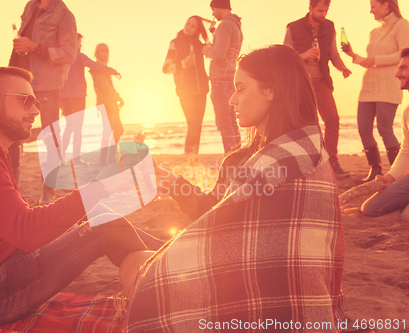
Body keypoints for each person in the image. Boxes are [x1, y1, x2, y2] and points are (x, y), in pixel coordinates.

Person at [0, 66, 163, 326]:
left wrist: (103, 185)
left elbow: (20, 222)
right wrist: (102, 186)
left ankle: (176, 257)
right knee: (105, 229)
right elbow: (28, 231)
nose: (35, 110)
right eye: (25, 101)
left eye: (36, 102)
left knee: (102, 219)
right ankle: (179, 265)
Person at [123, 45, 344, 332]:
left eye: (240, 88)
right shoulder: (305, 149)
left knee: (133, 265)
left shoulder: (267, 163)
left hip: (250, 293)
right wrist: (165, 178)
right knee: (123, 239)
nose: (231, 99)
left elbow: (214, 228)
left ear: (271, 90)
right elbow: (215, 213)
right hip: (287, 288)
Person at [8, 0, 77, 203]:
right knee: (12, 135)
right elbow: (21, 44)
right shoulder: (30, 7)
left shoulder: (64, 15)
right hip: (20, 82)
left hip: (47, 85)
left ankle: (47, 194)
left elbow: (69, 54)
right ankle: (12, 191)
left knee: (51, 140)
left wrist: (35, 47)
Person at [342, 0, 409, 182]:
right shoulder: (374, 32)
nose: (370, 11)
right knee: (364, 129)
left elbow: (404, 54)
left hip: (389, 86)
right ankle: (375, 169)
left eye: (373, 6)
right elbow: (370, 60)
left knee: (384, 129)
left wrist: (375, 60)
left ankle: (400, 174)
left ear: (386, 5)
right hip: (368, 87)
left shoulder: (402, 25)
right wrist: (353, 55)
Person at [284, 0, 352, 178]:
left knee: (333, 119)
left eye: (326, 10)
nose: (324, 14)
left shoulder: (329, 26)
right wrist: (304, 55)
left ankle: (332, 162)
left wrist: (343, 68)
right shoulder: (293, 27)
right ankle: (303, 163)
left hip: (322, 81)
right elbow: (284, 56)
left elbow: (334, 55)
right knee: (304, 123)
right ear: (310, 8)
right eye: (320, 11)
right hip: (301, 83)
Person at [361, 48, 409, 222]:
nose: (397, 74)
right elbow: (406, 152)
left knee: (407, 218)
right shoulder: (407, 112)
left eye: (403, 68)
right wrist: (390, 177)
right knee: (370, 208)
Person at [60, 33, 121, 164]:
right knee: (77, 129)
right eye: (79, 42)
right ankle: (77, 159)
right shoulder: (79, 56)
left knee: (69, 128)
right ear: (74, 42)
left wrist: (59, 98)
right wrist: (112, 70)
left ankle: (61, 157)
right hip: (78, 97)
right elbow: (94, 65)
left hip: (64, 96)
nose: (81, 45)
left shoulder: (63, 56)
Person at [163, 16, 209, 158]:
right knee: (192, 125)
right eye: (188, 23)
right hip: (185, 91)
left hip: (201, 90)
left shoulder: (199, 45)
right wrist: (182, 64)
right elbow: (165, 68)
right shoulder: (175, 43)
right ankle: (189, 157)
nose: (188, 27)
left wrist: (210, 34)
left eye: (193, 26)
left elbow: (212, 51)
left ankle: (193, 157)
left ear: (197, 30)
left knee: (198, 125)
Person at [203, 0, 243, 154]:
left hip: (220, 78)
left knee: (223, 123)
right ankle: (238, 157)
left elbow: (219, 56)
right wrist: (214, 34)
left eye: (213, 9)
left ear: (219, 7)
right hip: (231, 76)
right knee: (232, 121)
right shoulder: (236, 25)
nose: (212, 13)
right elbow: (228, 50)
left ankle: (231, 158)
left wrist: (206, 51)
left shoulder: (225, 25)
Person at [90, 43, 124, 165]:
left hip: (112, 103)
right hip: (105, 103)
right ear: (97, 53)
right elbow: (105, 87)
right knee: (108, 131)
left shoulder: (105, 67)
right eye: (101, 51)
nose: (104, 53)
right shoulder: (97, 68)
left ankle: (108, 157)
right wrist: (117, 96)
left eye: (106, 51)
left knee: (119, 130)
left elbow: (110, 87)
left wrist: (117, 97)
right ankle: (104, 159)